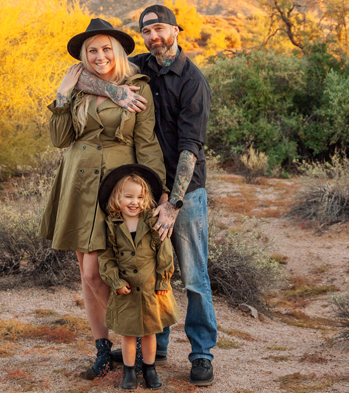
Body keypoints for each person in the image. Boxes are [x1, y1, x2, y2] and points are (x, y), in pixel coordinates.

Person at [75, 5, 217, 386]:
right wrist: (116, 91)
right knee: (153, 271)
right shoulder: (140, 65)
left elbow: (191, 148)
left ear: (175, 30)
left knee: (193, 277)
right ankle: (158, 346)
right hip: (143, 190)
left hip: (183, 194)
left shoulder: (192, 81)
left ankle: (202, 353)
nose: (153, 36)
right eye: (147, 31)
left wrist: (171, 203)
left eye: (159, 29)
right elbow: (80, 75)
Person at [40, 18, 166, 380]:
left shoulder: (135, 87)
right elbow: (60, 139)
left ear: (119, 51)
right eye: (92, 50)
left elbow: (146, 144)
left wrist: (159, 194)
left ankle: (137, 341)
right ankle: (102, 350)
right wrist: (62, 95)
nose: (99, 56)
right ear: (84, 55)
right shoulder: (78, 87)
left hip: (114, 186)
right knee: (85, 272)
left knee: (99, 273)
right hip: (76, 183)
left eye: (106, 48)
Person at [97, 164, 181, 390]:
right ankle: (129, 371)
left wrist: (163, 280)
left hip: (150, 288)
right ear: (118, 198)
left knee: (150, 332)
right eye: (128, 196)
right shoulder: (112, 225)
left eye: (140, 197)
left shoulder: (150, 220)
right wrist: (115, 281)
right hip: (125, 290)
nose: (134, 202)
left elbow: (164, 251)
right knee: (127, 334)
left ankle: (149, 368)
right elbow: (107, 257)